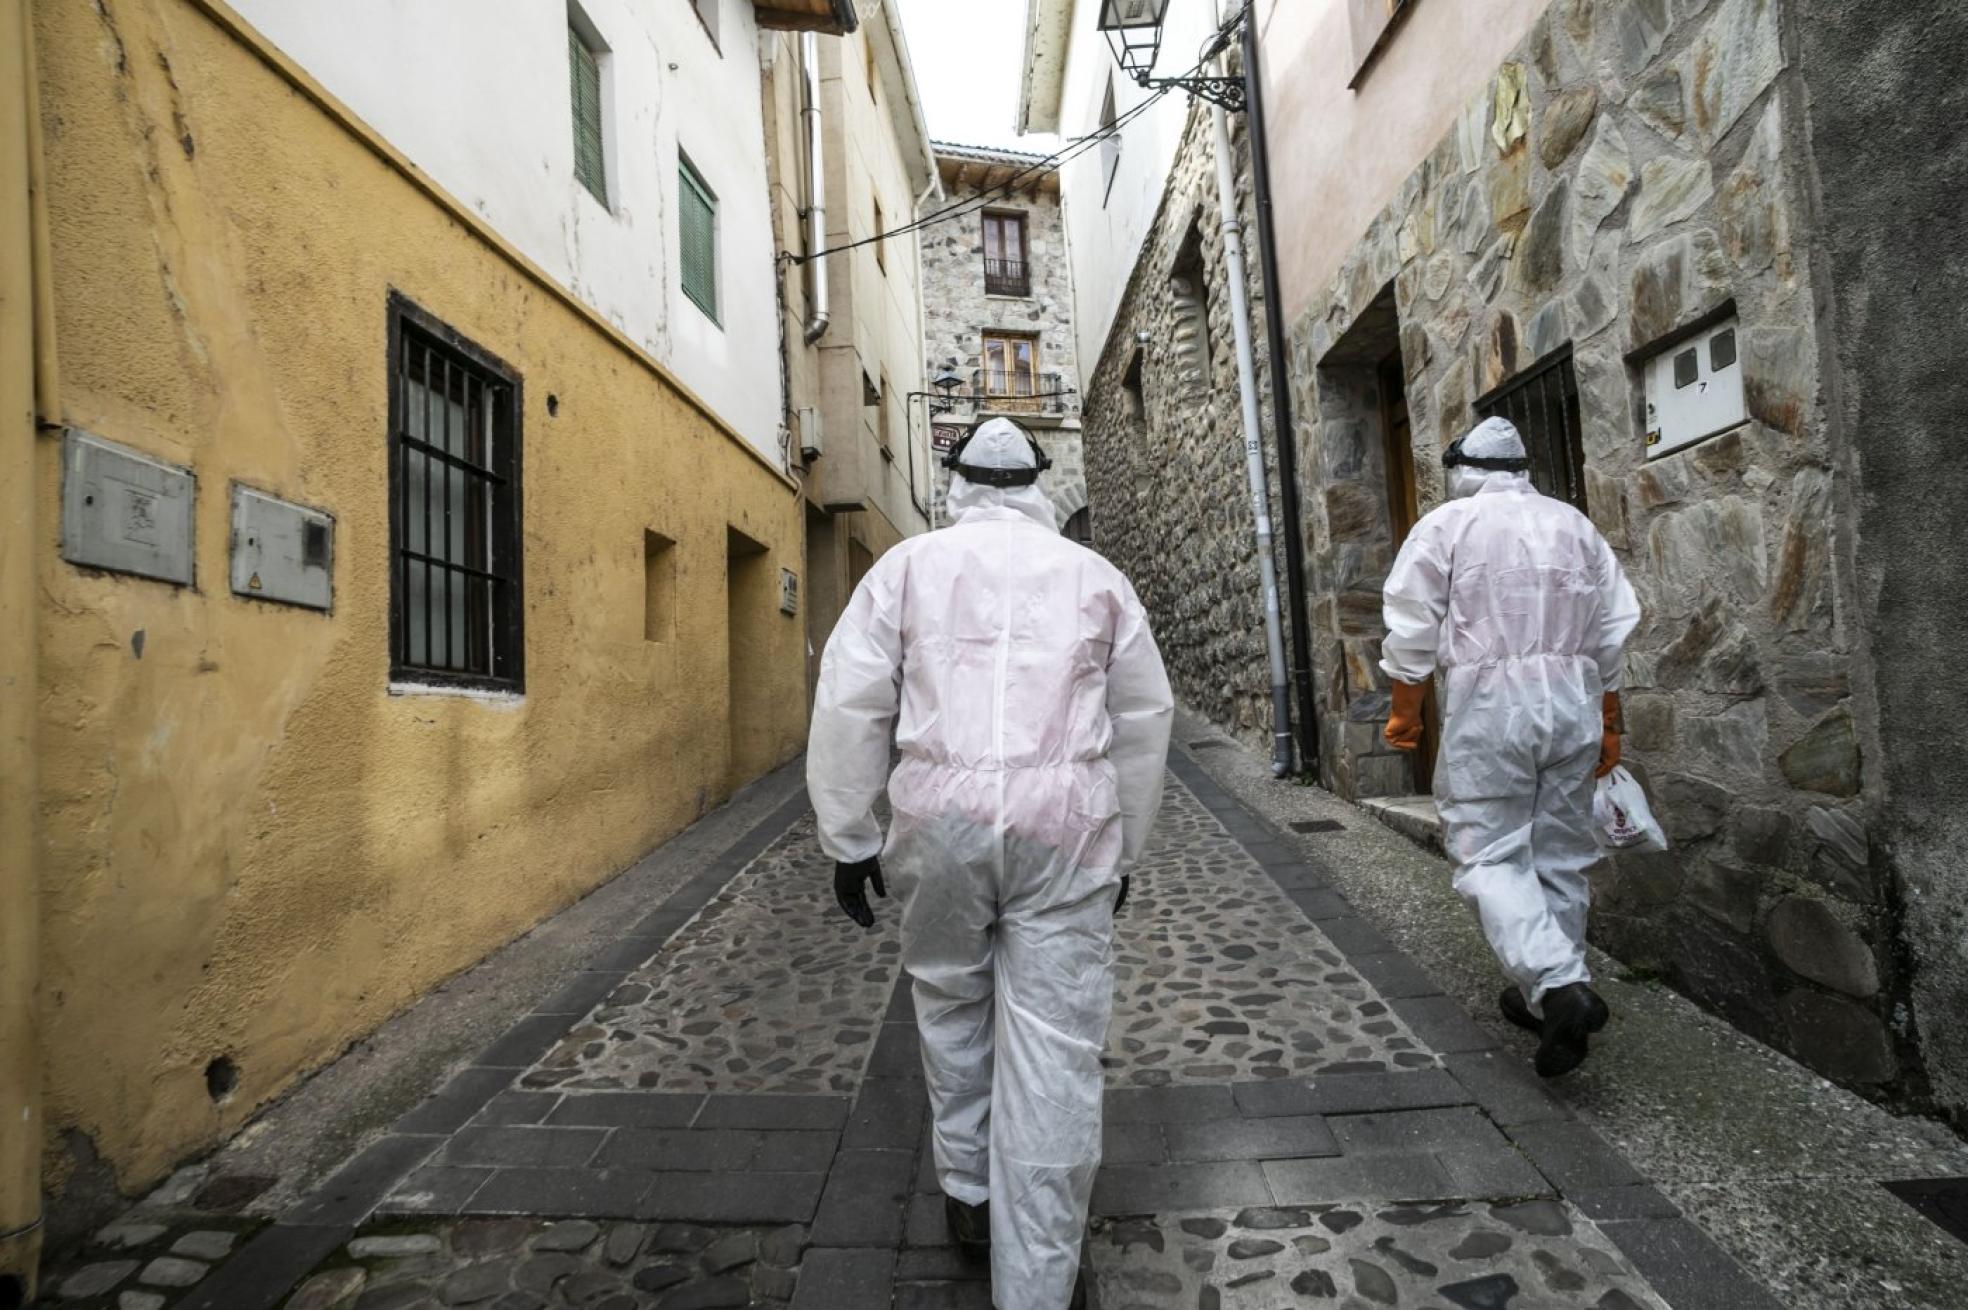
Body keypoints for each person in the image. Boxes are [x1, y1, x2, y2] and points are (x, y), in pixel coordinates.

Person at [807, 418, 1173, 1310]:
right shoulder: (1097, 578)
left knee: (951, 1010)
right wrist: (1127, 842)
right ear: (1040, 481)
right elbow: (1142, 717)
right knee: (1056, 1046)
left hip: (941, 827)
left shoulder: (906, 569)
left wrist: (850, 836)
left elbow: (851, 699)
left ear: (957, 480)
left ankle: (968, 1195)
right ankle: (1039, 1281)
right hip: (1065, 829)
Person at [1379, 416, 1640, 1078]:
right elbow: (1613, 627)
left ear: (1464, 469)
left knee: (1487, 852)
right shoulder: (1575, 526)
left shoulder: (1447, 526)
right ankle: (1547, 996)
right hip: (1573, 704)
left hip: (1491, 705)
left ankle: (1557, 985)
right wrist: (1608, 718)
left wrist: (1405, 714)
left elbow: (1411, 624)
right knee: (1559, 853)